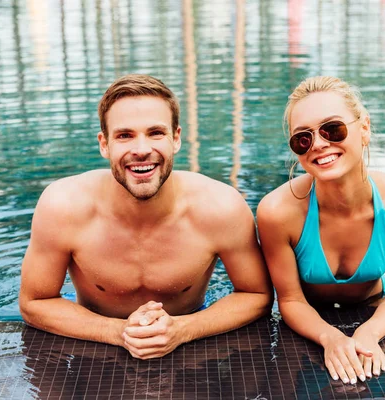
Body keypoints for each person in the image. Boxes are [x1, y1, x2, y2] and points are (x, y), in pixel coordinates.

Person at [19, 74, 272, 360]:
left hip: (191, 344)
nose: (141, 150)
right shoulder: (63, 206)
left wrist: (182, 329)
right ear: (104, 144)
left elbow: (257, 296)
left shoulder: (220, 207)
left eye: (155, 133)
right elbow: (34, 302)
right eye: (125, 135)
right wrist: (118, 332)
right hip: (94, 345)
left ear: (176, 138)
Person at [256, 76, 385, 384]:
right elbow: (291, 301)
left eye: (332, 129)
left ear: (364, 129)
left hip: (373, 311)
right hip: (308, 320)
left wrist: (369, 333)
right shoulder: (277, 212)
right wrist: (330, 338)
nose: (320, 144)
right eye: (303, 138)